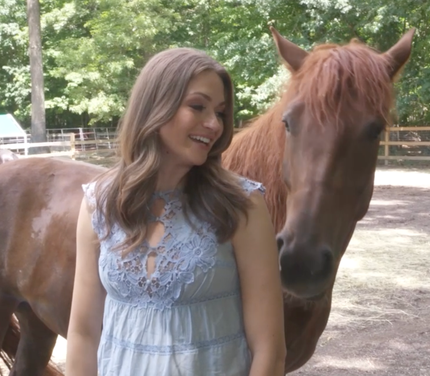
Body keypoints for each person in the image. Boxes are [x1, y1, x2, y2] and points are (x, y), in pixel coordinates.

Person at [66, 48, 286, 376]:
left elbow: (269, 347)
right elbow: (83, 333)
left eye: (221, 113)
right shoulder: (100, 204)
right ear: (155, 105)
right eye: (197, 106)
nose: (213, 124)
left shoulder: (242, 205)